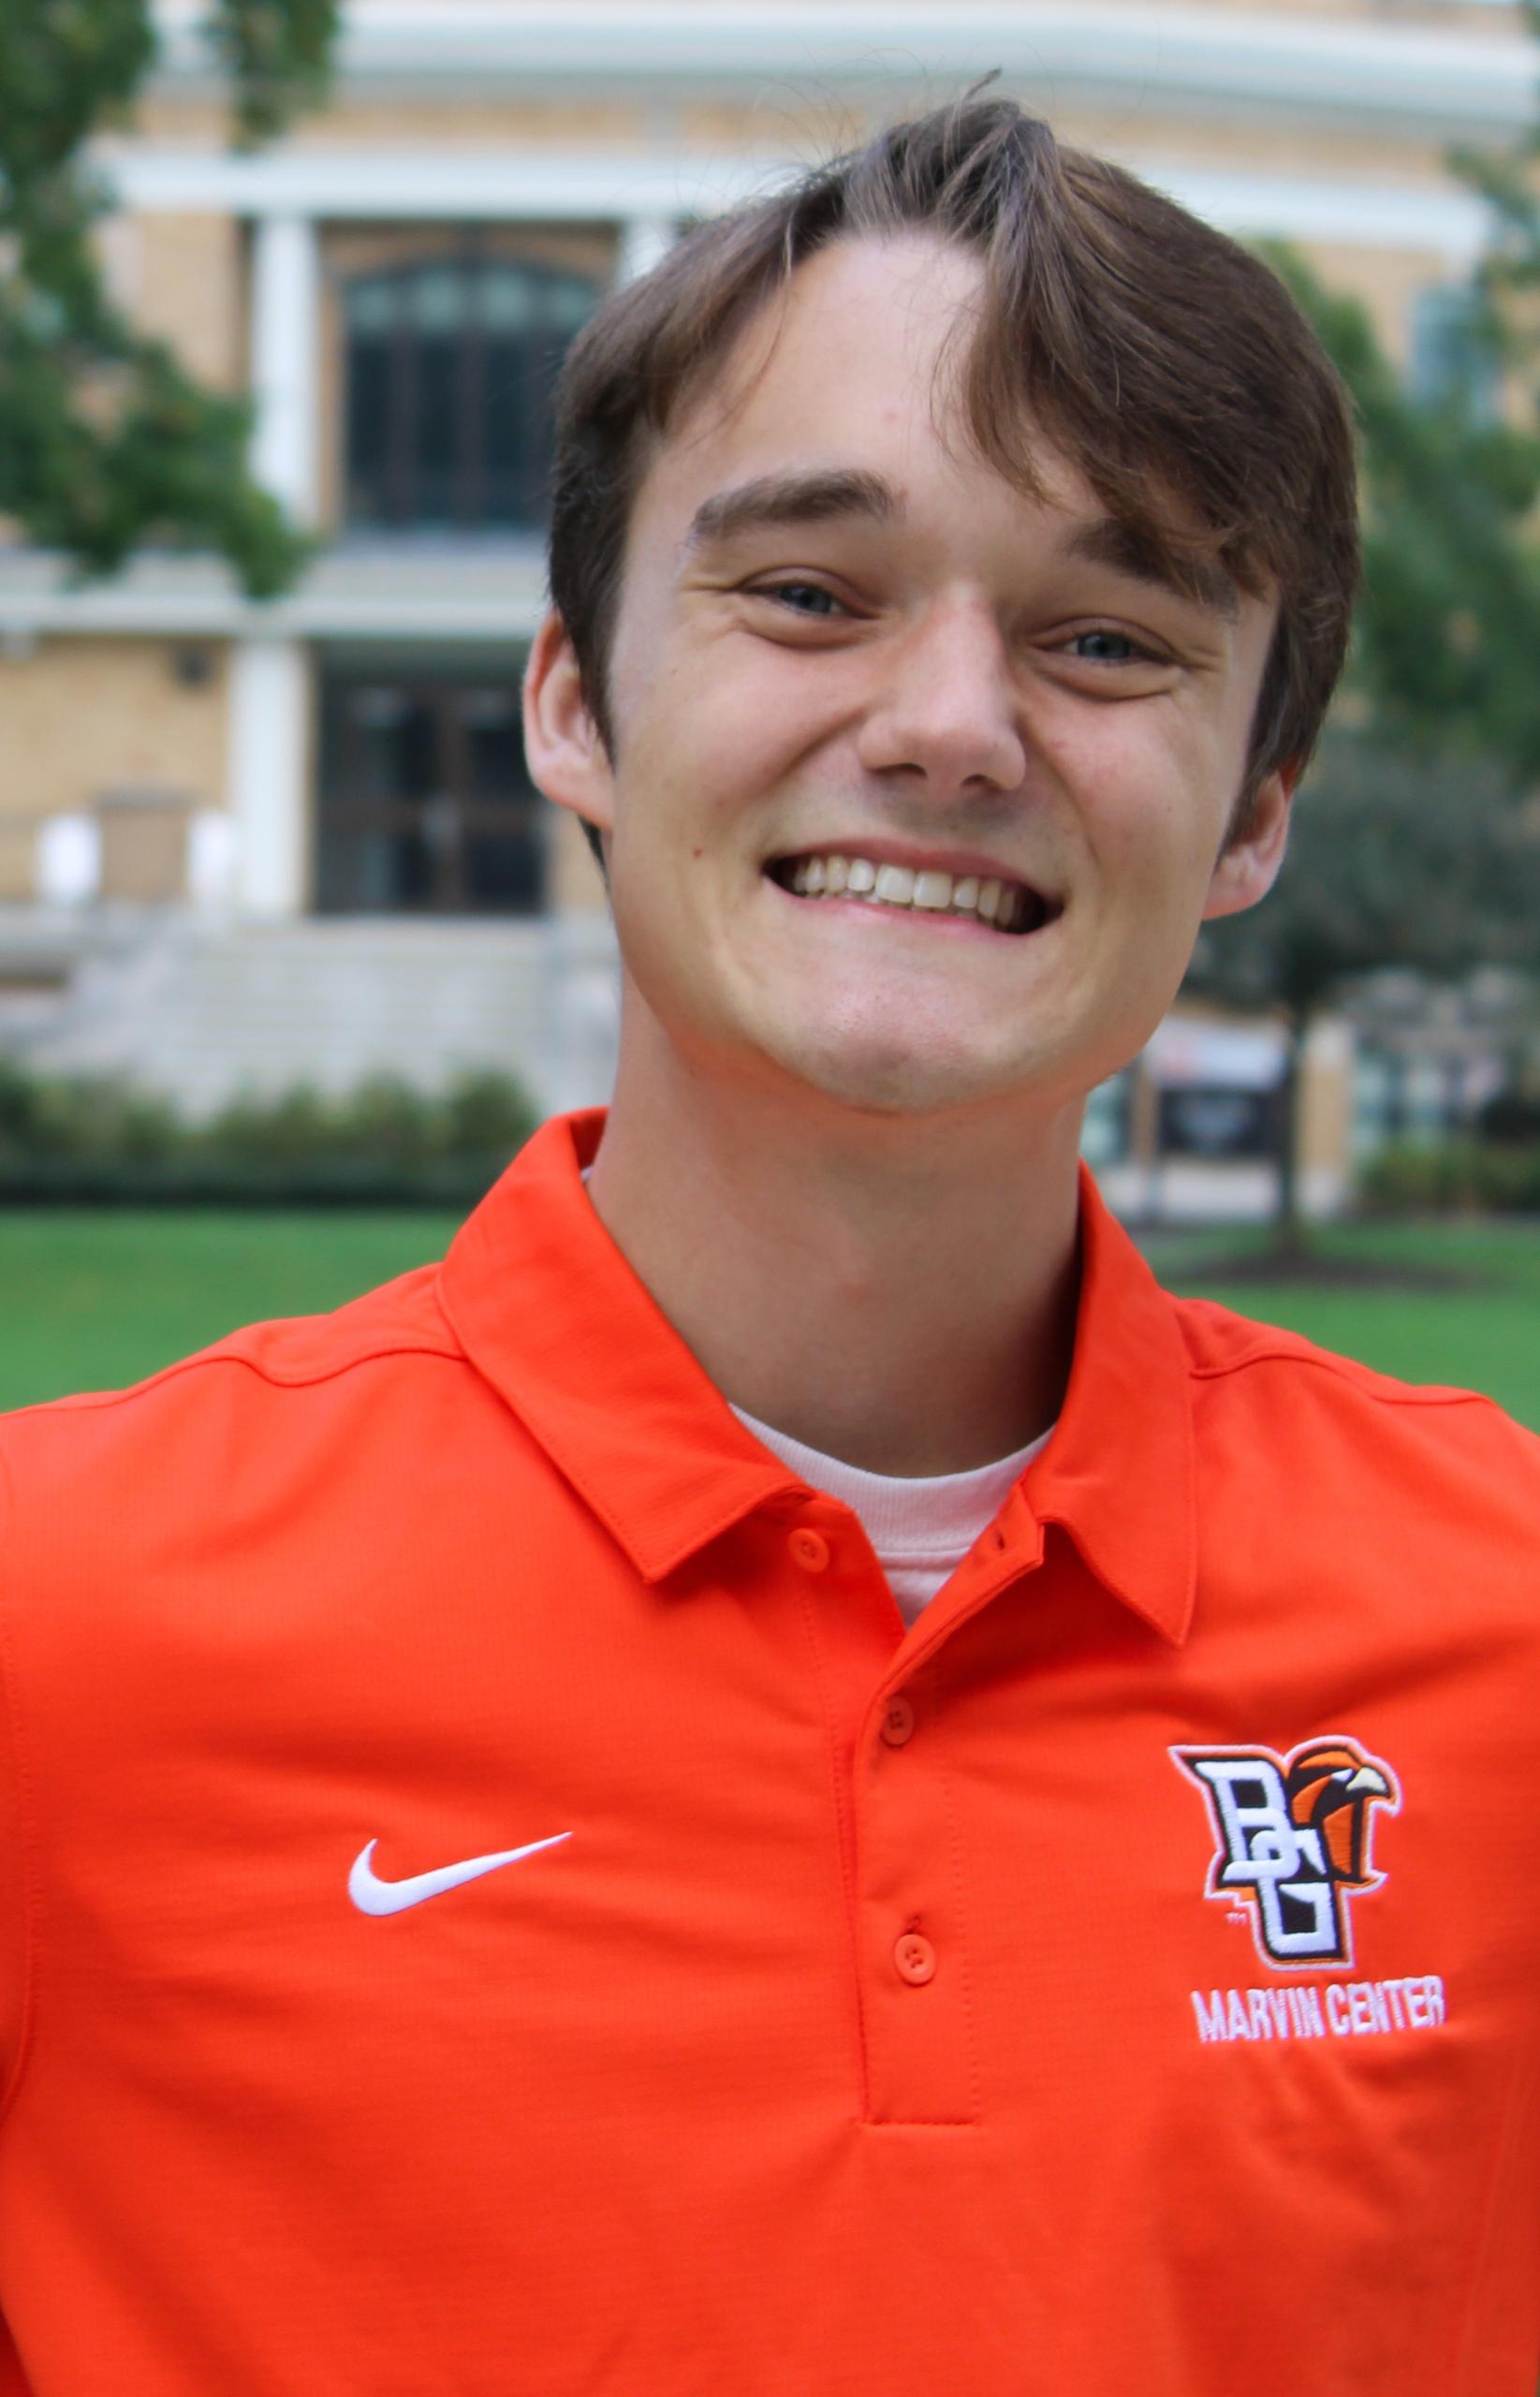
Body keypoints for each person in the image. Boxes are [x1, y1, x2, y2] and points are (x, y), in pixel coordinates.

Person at [0, 97, 1536, 2397]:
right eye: (809, 592)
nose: (948, 727)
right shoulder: (55, 1628)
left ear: (1252, 816)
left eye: (1106, 636)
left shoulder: (1503, 1631)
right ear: (571, 702)